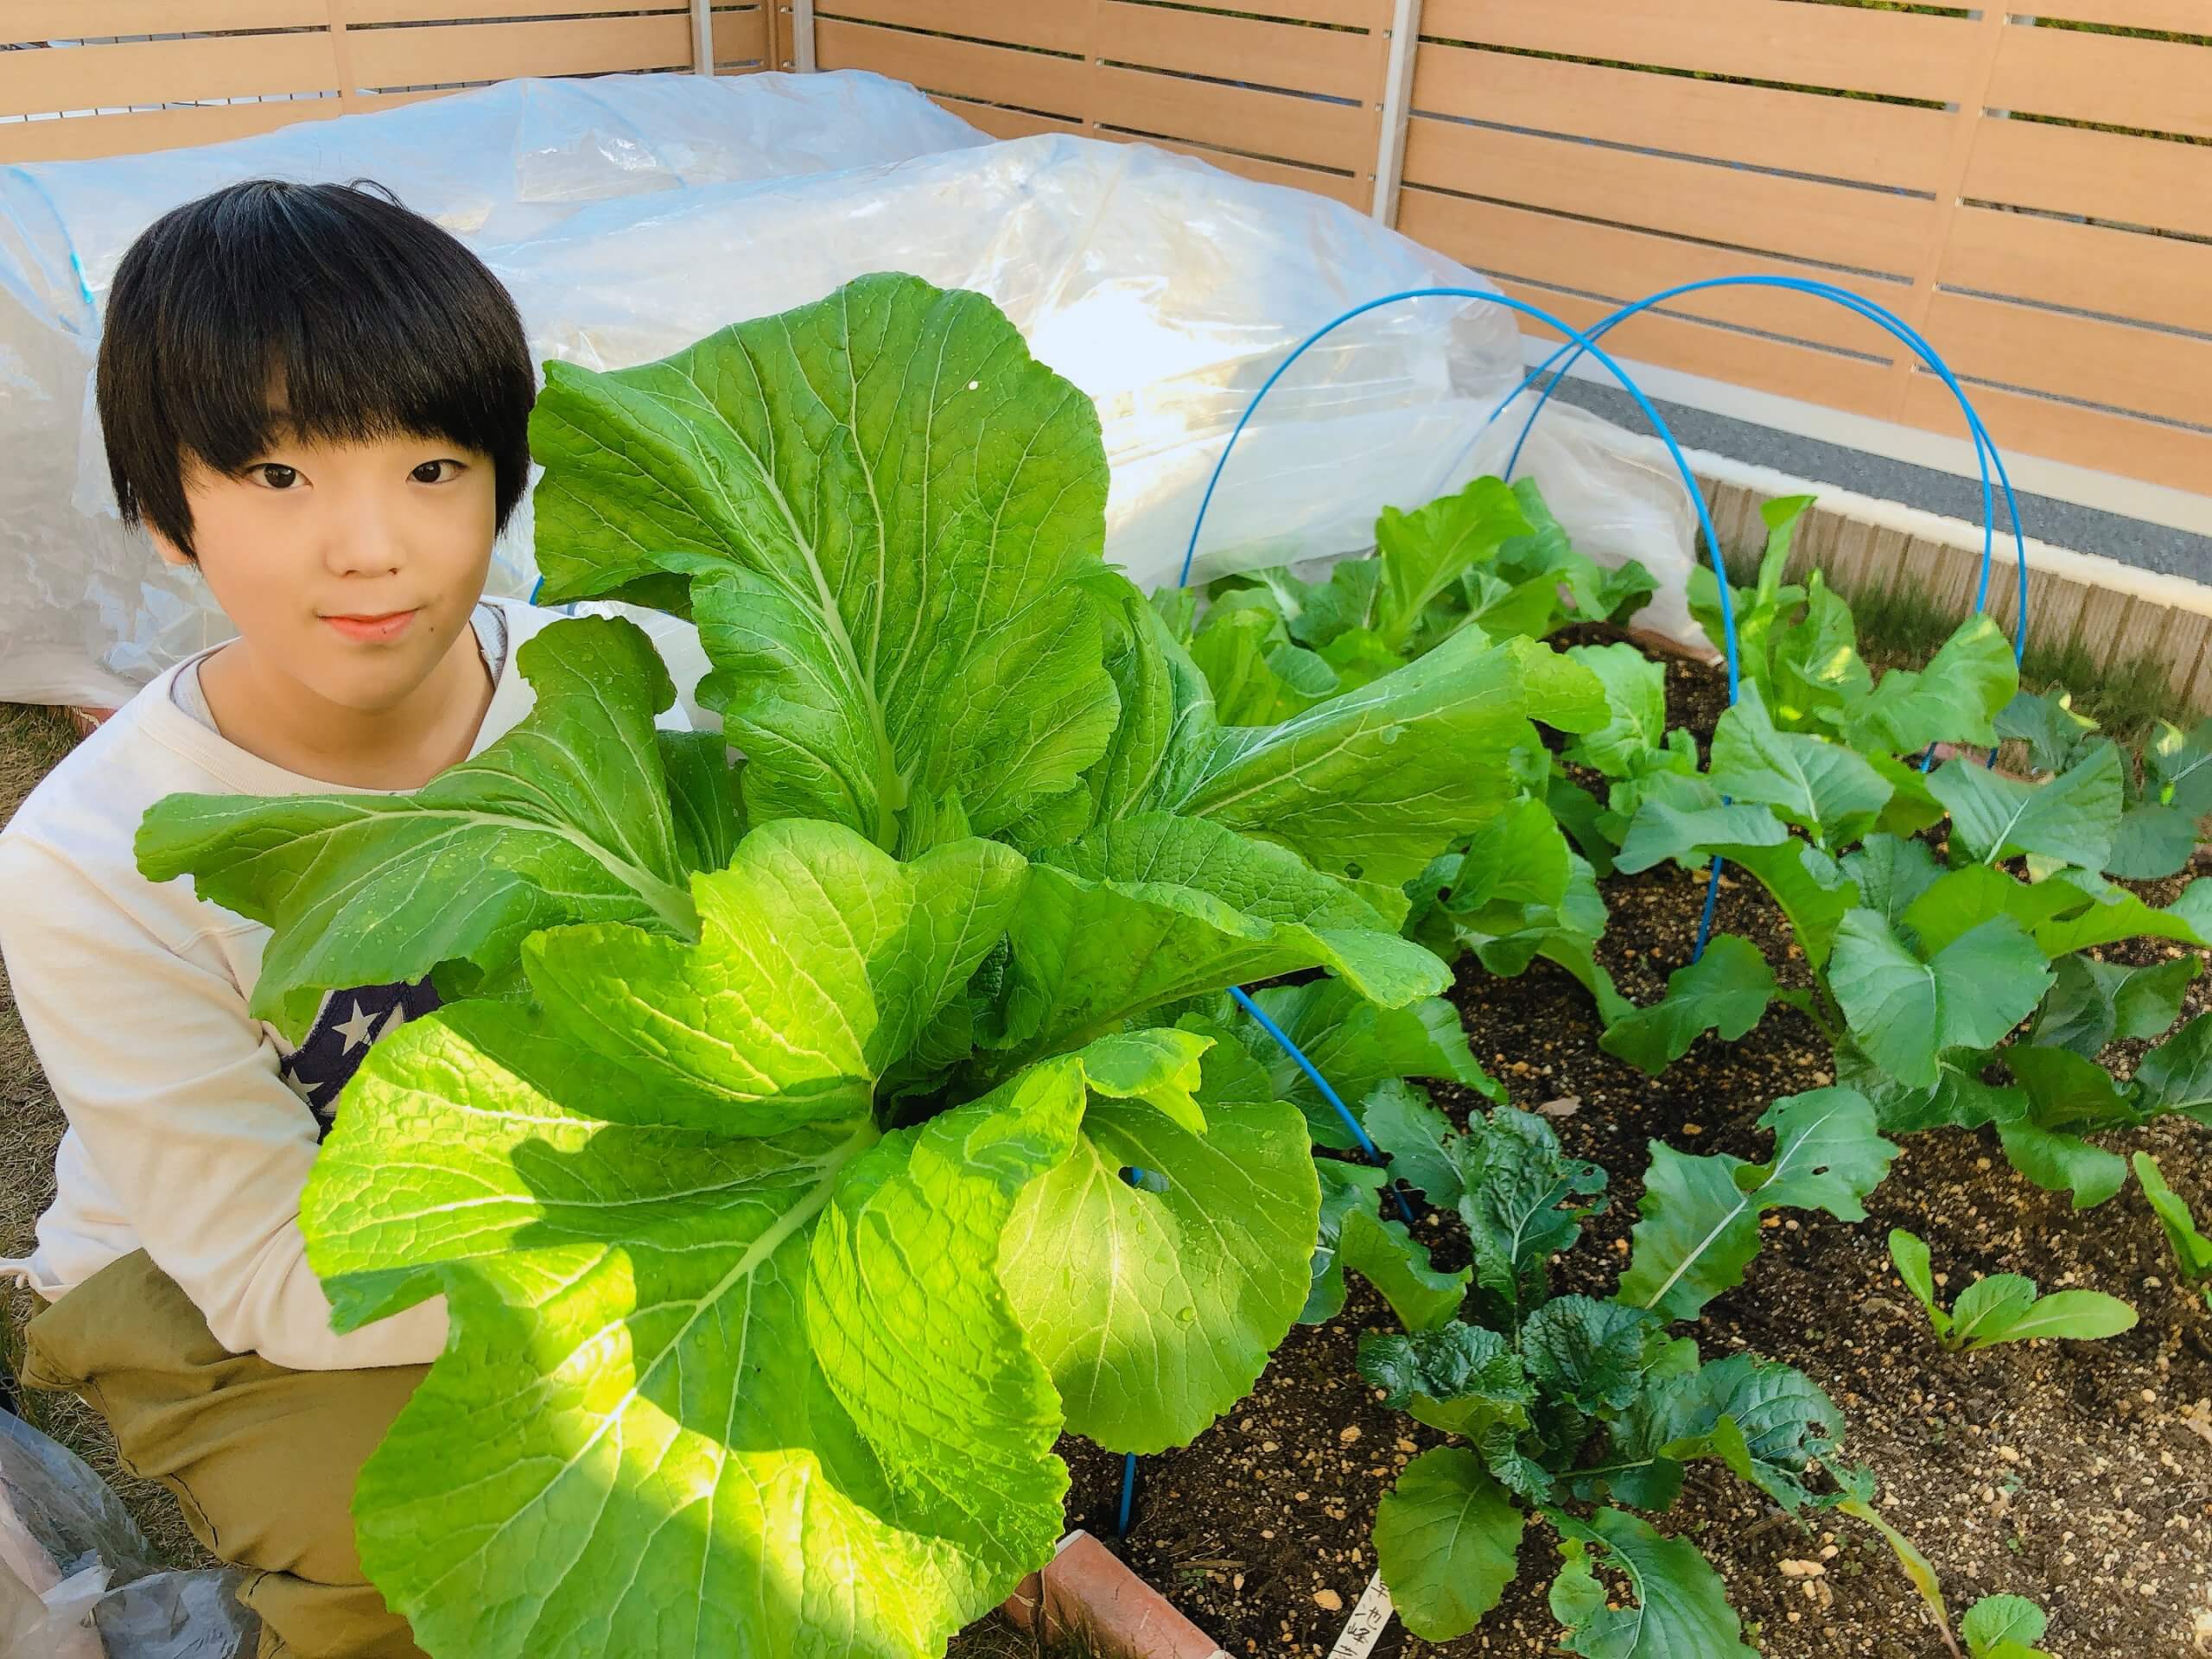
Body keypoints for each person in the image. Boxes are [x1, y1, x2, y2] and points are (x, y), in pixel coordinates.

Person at [0, 178, 681, 1659]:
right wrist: (645, 1272)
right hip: (208, 1270)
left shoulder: (623, 688)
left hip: (565, 1192)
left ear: (507, 481)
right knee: (427, 1541)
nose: (370, 547)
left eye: (434, 468)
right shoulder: (90, 857)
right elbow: (271, 1278)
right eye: (275, 476)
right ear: (163, 515)